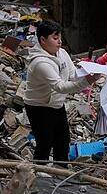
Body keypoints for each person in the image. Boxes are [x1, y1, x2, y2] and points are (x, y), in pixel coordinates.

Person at [23, 20, 100, 163]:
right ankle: (39, 174)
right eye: (55, 38)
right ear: (43, 40)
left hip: (56, 104)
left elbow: (72, 75)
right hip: (39, 106)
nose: (59, 42)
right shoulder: (40, 63)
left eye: (60, 38)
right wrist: (87, 82)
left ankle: (61, 172)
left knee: (63, 140)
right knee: (44, 142)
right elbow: (61, 87)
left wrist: (90, 71)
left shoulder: (62, 53)